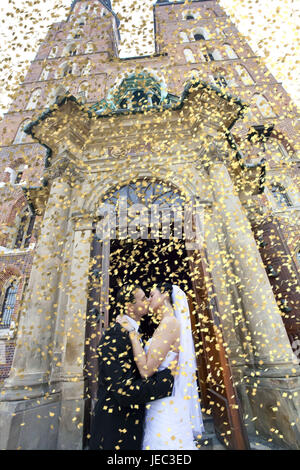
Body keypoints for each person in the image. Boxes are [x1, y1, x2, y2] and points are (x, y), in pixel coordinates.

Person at [117, 283, 205, 450]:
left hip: (165, 406)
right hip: (162, 400)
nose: (149, 300)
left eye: (151, 295)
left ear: (164, 295)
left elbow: (146, 370)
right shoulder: (167, 323)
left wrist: (131, 334)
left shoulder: (169, 323)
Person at [89, 283, 176, 450]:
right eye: (143, 298)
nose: (148, 301)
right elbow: (123, 390)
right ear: (129, 307)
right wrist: (167, 381)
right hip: (116, 432)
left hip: (132, 426)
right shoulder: (115, 335)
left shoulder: (133, 332)